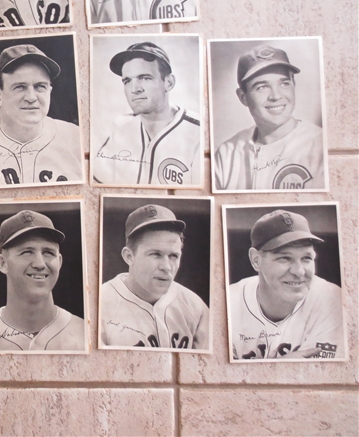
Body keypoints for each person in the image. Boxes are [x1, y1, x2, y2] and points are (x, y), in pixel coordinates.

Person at [229, 209, 344, 360]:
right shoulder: (229, 301)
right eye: (284, 258)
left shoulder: (332, 299)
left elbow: (319, 378)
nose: (299, 271)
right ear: (256, 260)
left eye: (306, 258)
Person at [213, 44, 325, 191]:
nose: (276, 96)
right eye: (262, 87)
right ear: (243, 97)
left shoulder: (319, 146)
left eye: (284, 84)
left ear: (294, 85)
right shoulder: (227, 153)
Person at [99, 204, 208, 349]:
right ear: (129, 256)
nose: (167, 267)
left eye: (173, 256)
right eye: (156, 254)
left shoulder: (195, 306)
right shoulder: (100, 304)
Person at [0, 44, 83, 186]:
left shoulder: (74, 137)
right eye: (20, 87)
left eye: (40, 87)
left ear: (49, 91)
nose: (31, 97)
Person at [94, 42, 200, 186]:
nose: (134, 89)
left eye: (145, 78)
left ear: (168, 83)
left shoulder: (198, 132)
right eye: (127, 81)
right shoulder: (120, 128)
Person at [0, 210, 85, 351]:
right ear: (2, 263)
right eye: (27, 252)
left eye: (48, 252)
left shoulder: (86, 333)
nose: (40, 264)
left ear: (59, 261)